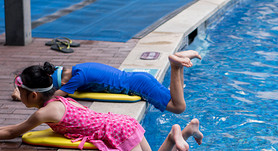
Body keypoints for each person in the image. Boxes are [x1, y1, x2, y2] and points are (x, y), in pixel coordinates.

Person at [0, 64, 204, 151]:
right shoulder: (60, 102)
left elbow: (13, 131)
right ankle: (186, 131)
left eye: (20, 92)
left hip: (117, 131)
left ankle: (173, 135)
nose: (18, 97)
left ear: (33, 95)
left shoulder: (44, 113)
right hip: (121, 122)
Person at [11, 50, 202, 114]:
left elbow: (49, 99)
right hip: (139, 79)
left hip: (139, 85)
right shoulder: (78, 69)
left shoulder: (75, 80)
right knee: (174, 97)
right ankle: (179, 60)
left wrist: (21, 93)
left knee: (178, 107)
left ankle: (176, 65)